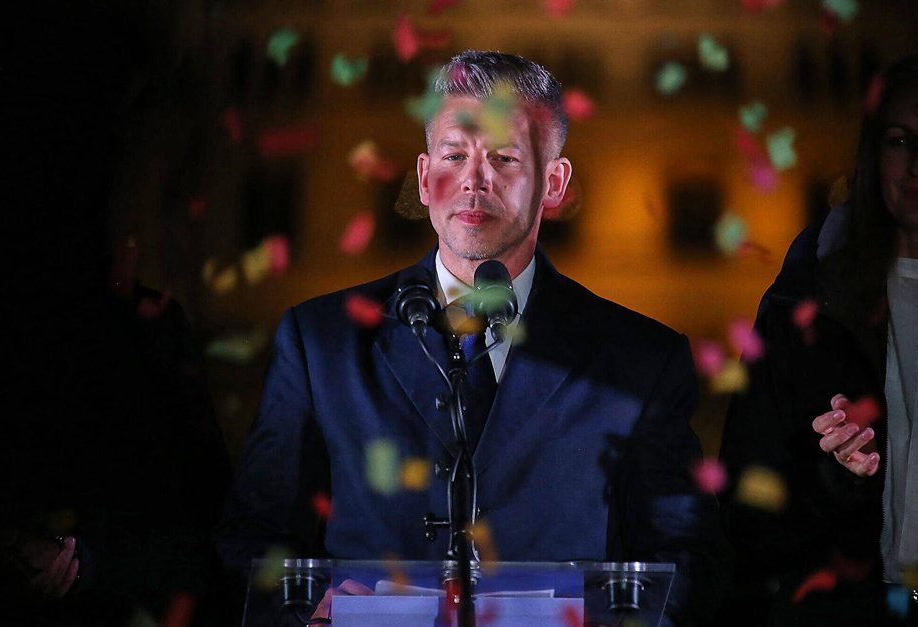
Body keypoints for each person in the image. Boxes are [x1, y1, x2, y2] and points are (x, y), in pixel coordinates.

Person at [217, 50, 727, 625]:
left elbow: (686, 558)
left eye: (504, 158)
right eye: (454, 155)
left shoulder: (641, 360)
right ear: (423, 178)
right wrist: (309, 604)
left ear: (554, 182)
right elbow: (254, 537)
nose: (474, 180)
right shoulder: (321, 342)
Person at [718, 54, 918, 626]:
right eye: (900, 142)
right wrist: (836, 479)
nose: (916, 166)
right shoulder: (807, 294)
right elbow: (749, 500)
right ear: (873, 154)